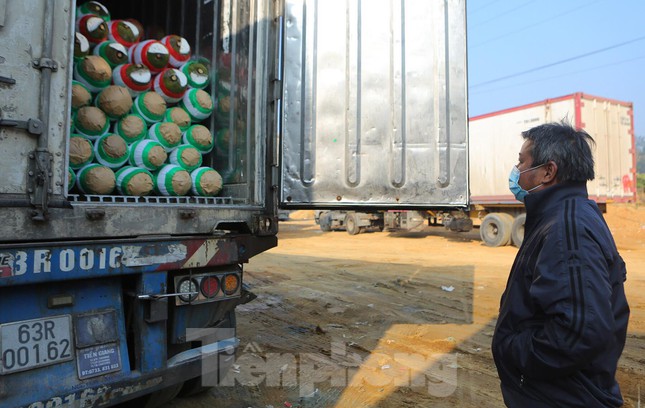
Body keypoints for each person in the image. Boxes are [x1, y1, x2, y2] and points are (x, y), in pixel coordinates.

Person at [491, 122, 630, 407]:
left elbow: (580, 332)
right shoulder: (568, 215)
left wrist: (511, 350)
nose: (516, 171)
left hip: (564, 396)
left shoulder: (568, 229)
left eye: (522, 162)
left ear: (547, 171)